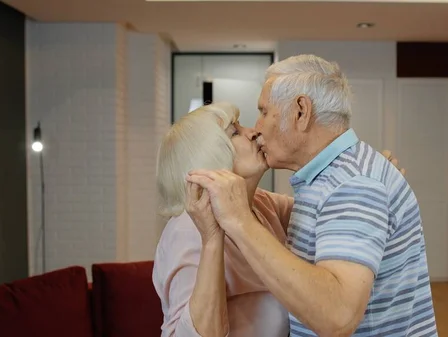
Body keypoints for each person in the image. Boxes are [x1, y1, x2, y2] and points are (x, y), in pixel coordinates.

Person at [186, 55, 438, 337]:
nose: (257, 127)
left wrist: (240, 221)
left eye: (264, 111)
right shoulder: (333, 179)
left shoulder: (352, 184)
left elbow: (337, 317)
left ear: (301, 112)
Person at [153, 102, 406, 337]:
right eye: (234, 133)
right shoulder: (188, 230)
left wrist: (364, 182)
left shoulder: (261, 204)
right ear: (208, 161)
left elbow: (328, 213)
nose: (253, 132)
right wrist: (212, 239)